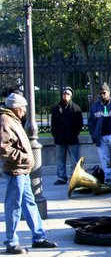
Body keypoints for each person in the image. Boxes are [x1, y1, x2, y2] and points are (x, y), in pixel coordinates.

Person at [1, 93, 58, 254]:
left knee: (29, 204)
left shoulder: (13, 119)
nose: (25, 111)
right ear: (17, 108)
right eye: (23, 108)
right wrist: (24, 158)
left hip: (22, 170)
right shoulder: (5, 120)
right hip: (16, 170)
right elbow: (4, 148)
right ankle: (11, 242)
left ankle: (39, 238)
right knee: (13, 206)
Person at [88, 82, 111, 185]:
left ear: (109, 92)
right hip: (101, 137)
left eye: (104, 93)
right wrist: (93, 134)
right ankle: (108, 178)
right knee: (105, 159)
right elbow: (91, 122)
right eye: (100, 93)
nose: (102, 95)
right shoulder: (95, 107)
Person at [51, 86, 84, 185]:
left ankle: (74, 177)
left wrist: (74, 133)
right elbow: (53, 123)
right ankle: (61, 177)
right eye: (64, 93)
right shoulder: (56, 108)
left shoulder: (75, 108)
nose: (65, 95)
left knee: (74, 160)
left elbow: (80, 123)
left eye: (68, 94)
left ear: (71, 96)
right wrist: (55, 134)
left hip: (72, 139)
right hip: (60, 139)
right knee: (60, 160)